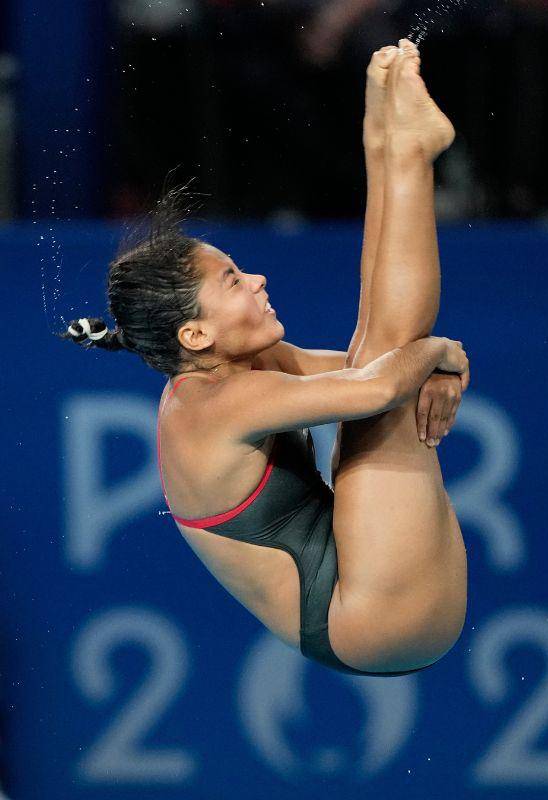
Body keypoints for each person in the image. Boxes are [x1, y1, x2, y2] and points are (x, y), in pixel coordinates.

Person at [61, 41, 468, 676]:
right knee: (389, 365)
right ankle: (404, 153)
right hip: (370, 620)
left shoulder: (236, 367)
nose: (256, 279)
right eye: (231, 281)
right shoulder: (215, 404)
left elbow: (361, 369)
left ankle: (389, 149)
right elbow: (374, 389)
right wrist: (438, 352)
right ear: (194, 335)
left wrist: (427, 367)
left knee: (380, 353)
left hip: (370, 586)